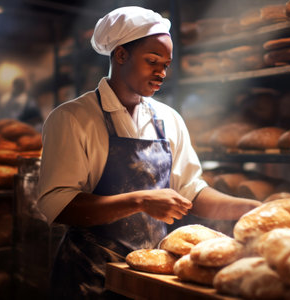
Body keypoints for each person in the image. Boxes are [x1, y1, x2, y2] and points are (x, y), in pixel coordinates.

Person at [37, 6, 261, 299]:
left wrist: (251, 209)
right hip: (87, 276)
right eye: (152, 61)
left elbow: (191, 193)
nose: (162, 73)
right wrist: (140, 200)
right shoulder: (72, 118)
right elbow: (57, 205)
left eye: (166, 64)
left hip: (149, 273)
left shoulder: (169, 119)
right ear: (120, 55)